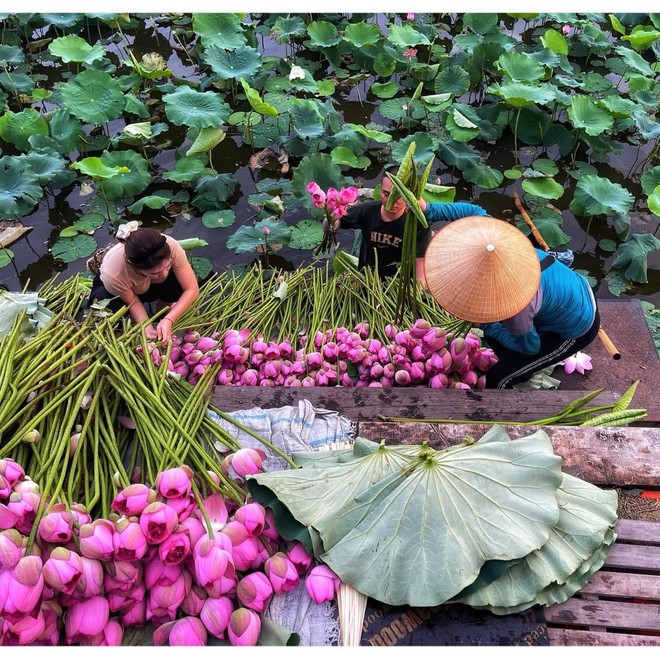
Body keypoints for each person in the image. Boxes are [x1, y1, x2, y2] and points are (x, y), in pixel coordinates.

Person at [424, 217, 600, 389]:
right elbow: (474, 211)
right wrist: (430, 209)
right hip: (568, 293)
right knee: (501, 335)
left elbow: (531, 347)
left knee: (498, 379)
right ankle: (522, 366)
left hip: (576, 328)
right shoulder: (506, 251)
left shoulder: (518, 309)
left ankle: (514, 382)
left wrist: (485, 325)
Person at [339, 167, 488, 283]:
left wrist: (419, 292)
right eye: (386, 194)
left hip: (400, 280)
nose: (392, 202)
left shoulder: (417, 222)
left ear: (410, 195)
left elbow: (420, 260)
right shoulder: (367, 211)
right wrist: (331, 215)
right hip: (368, 275)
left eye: (399, 197)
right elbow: (334, 225)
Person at [87, 222, 199, 343]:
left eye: (167, 267)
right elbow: (133, 302)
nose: (164, 275)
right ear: (134, 266)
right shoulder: (113, 273)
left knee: (178, 282)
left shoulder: (170, 245)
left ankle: (162, 310)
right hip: (120, 286)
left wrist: (169, 320)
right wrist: (146, 326)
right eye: (155, 272)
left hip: (147, 282)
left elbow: (191, 288)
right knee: (103, 305)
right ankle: (101, 258)